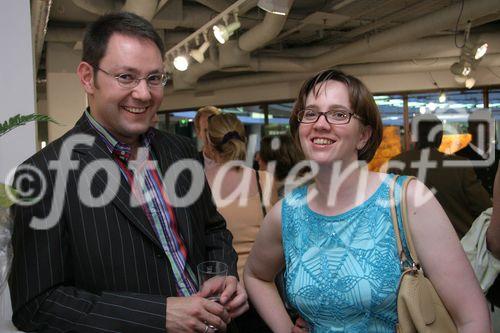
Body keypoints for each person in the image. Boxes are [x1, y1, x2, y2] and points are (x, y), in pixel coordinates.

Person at [9, 12, 247, 333]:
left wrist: (224, 273)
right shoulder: (43, 174)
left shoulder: (179, 151)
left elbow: (212, 229)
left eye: (154, 78)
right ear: (87, 77)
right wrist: (157, 315)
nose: (144, 94)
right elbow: (37, 305)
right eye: (126, 77)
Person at [244, 69, 491, 332]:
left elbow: (471, 318)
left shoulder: (407, 199)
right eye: (311, 112)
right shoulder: (287, 213)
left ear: (363, 135)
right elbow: (256, 275)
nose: (320, 123)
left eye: (339, 114)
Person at [203, 113, 277, 333]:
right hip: (264, 294)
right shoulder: (263, 180)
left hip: (220, 297)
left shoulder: (197, 183)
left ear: (208, 142)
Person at [389, 115, 491, 238]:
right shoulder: (460, 165)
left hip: (414, 246)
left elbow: (391, 212)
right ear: (440, 136)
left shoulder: (397, 164)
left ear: (413, 136)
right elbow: (484, 207)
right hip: (459, 243)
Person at [455, 110, 500, 197]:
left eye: (489, 125)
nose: (486, 130)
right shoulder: (459, 157)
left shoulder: (498, 155)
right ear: (469, 130)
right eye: (481, 125)